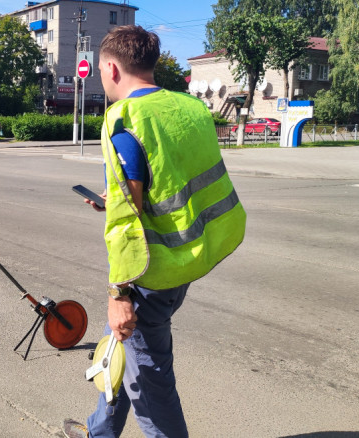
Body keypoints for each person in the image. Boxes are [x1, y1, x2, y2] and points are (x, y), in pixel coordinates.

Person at [62, 25, 246, 438]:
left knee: (149, 383)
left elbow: (127, 223)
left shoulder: (126, 120)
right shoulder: (189, 108)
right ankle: (100, 432)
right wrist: (119, 203)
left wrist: (119, 294)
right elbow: (170, 182)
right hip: (191, 255)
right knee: (120, 347)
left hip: (152, 271)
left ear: (110, 68)